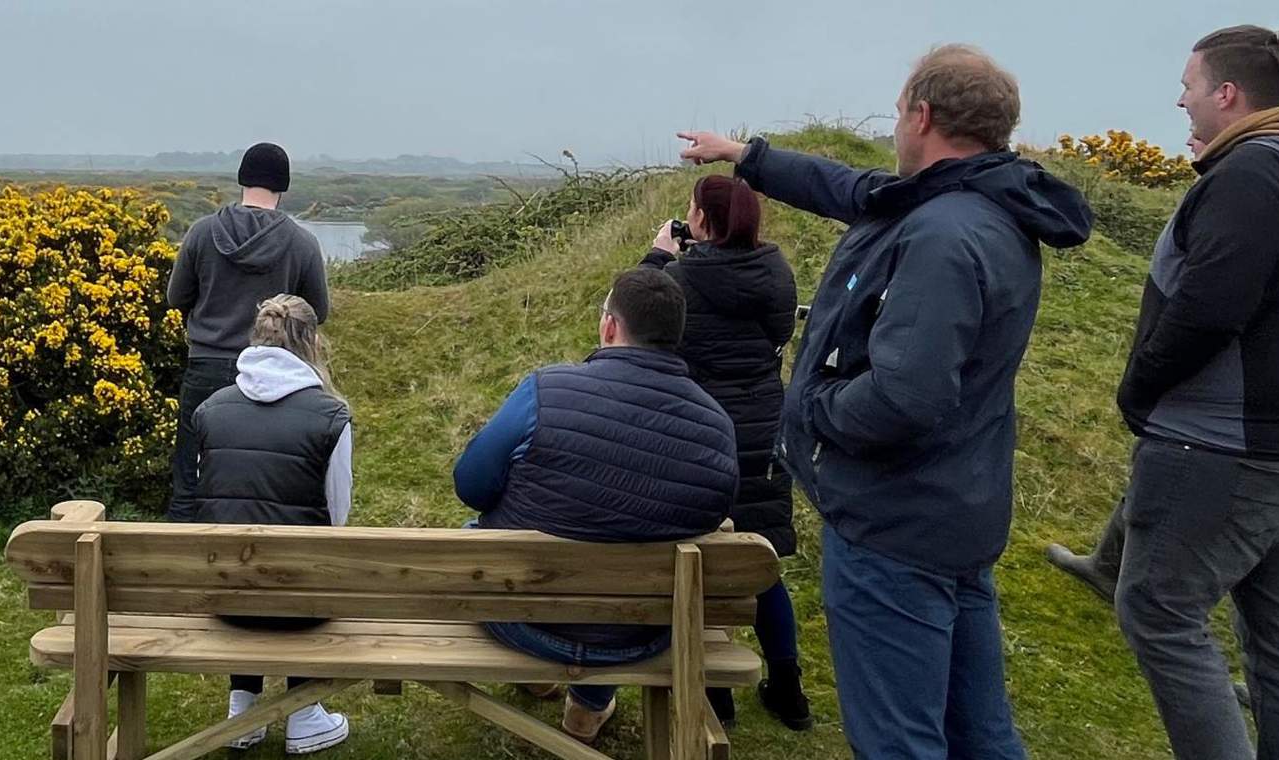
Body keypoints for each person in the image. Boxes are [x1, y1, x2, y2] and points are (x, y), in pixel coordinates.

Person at [680, 44, 1092, 759]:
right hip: (954, 504)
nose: (895, 125)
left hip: (894, 521)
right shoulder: (970, 204)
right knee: (978, 731)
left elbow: (905, 397)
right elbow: (844, 187)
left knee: (898, 739)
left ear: (923, 115)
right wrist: (746, 154)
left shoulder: (942, 235)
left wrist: (812, 409)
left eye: (899, 111)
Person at [1047, 90, 1279, 734]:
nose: (1180, 98)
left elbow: (1211, 307)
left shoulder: (1253, 171)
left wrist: (1140, 388)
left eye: (1190, 84)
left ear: (1226, 92)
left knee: (1158, 612)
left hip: (1227, 438)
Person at [453, 268, 740, 744]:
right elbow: (707, 518)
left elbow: (471, 485)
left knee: (475, 535)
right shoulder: (717, 426)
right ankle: (588, 705)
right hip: (643, 633)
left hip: (524, 620)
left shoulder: (547, 389)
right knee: (628, 563)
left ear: (609, 326)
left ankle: (540, 675)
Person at [640, 174, 808, 731]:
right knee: (759, 563)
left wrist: (658, 256)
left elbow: (640, 319)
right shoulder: (778, 273)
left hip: (699, 427)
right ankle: (788, 689)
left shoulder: (681, 279)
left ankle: (719, 695)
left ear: (703, 222)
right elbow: (776, 334)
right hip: (764, 425)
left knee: (699, 557)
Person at [190, 294, 354, 755]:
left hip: (225, 595)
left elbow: (213, 502)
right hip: (301, 603)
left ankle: (243, 708)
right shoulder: (332, 417)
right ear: (311, 345)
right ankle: (303, 713)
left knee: (239, 543)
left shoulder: (210, 409)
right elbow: (335, 515)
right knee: (310, 558)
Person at [166, 142, 331, 521]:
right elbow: (317, 312)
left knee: (189, 478)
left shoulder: (201, 232)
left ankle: (180, 562)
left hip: (205, 366)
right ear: (282, 186)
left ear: (242, 179)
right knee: (267, 481)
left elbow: (176, 297)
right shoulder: (302, 242)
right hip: (278, 373)